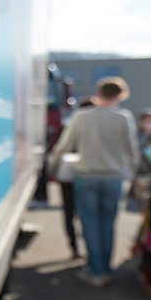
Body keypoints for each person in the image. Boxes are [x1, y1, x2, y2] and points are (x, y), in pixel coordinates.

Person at [48, 77, 141, 287]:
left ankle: (95, 270)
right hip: (114, 178)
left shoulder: (82, 116)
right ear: (120, 95)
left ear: (99, 92)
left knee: (90, 223)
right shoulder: (123, 117)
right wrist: (134, 172)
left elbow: (64, 145)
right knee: (108, 224)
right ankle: (105, 269)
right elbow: (132, 151)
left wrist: (52, 167)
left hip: (86, 176)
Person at [53, 97, 95, 258]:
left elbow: (62, 147)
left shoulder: (72, 123)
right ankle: (89, 248)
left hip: (68, 173)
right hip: (88, 173)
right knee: (88, 214)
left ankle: (74, 248)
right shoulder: (96, 127)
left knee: (69, 212)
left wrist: (54, 167)